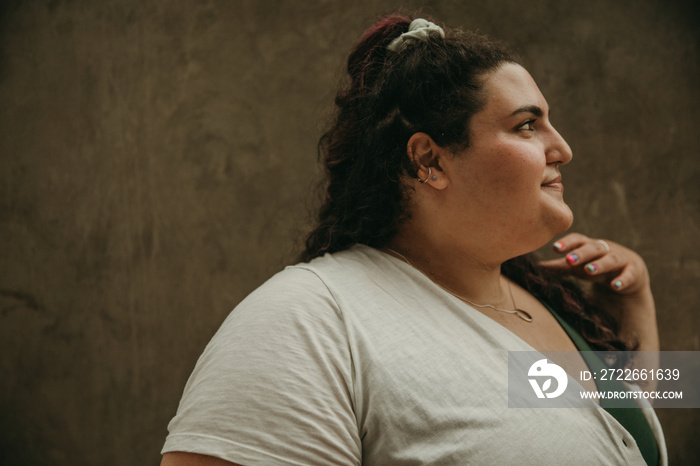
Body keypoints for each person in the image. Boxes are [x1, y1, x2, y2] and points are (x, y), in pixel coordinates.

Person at [161, 14, 665, 466]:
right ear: (429, 160)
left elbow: (615, 438)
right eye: (527, 125)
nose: (564, 149)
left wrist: (634, 311)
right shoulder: (310, 321)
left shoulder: (541, 298)